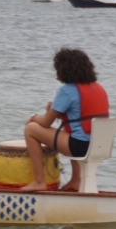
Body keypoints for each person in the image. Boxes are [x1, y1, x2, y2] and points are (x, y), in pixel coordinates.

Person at [21, 48, 109, 192]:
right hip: (99, 145)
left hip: (80, 146)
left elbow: (45, 123)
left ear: (64, 69)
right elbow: (81, 115)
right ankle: (75, 180)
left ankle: (39, 181)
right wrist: (56, 109)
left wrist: (33, 117)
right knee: (71, 131)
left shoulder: (67, 90)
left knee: (30, 129)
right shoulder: (99, 88)